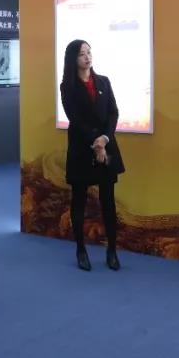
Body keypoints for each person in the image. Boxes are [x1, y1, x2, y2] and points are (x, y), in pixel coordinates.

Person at [59, 39, 125, 272]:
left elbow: (113, 113)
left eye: (89, 52)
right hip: (82, 148)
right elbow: (75, 119)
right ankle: (81, 250)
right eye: (82, 54)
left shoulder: (104, 81)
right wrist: (95, 144)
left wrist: (104, 139)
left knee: (108, 200)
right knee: (79, 199)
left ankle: (112, 251)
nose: (87, 57)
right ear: (73, 59)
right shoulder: (67, 86)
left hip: (106, 147)